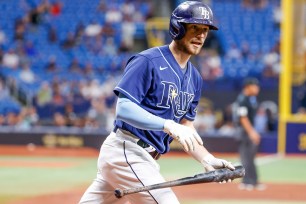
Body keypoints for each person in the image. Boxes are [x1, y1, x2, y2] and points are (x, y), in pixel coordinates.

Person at [79, 1, 234, 203]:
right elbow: (124, 108)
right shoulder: (148, 61)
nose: (201, 35)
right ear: (178, 28)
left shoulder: (195, 78)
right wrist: (167, 124)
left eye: (205, 30)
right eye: (195, 27)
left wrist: (207, 158)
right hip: (127, 151)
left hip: (143, 159)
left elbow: (186, 128)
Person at [235, 77, 266, 191]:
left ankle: (254, 181)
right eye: (255, 86)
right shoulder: (242, 99)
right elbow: (243, 118)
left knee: (251, 158)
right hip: (244, 132)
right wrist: (252, 132)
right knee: (245, 158)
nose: (257, 88)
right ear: (248, 87)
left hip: (249, 131)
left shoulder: (251, 99)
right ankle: (246, 181)